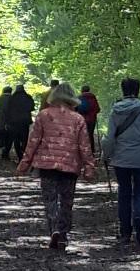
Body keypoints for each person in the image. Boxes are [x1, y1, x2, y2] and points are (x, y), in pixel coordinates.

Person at [19, 81, 96, 250]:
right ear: (72, 98)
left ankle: (54, 228)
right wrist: (89, 166)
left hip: (47, 164)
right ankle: (63, 235)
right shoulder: (78, 119)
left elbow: (33, 141)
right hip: (70, 164)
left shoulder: (43, 115)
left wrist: (25, 163)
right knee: (67, 201)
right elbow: (84, 145)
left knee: (50, 200)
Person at [102, 77, 140, 249]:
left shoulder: (115, 111)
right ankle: (139, 217)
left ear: (123, 90)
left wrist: (105, 156)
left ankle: (125, 232)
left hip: (121, 160)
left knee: (124, 193)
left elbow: (109, 139)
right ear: (138, 90)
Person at [0, 83, 34, 161]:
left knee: (15, 139)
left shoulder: (12, 98)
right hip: (24, 122)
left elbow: (7, 110)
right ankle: (23, 155)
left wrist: (6, 121)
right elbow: (32, 107)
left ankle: (18, 155)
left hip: (13, 123)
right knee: (24, 139)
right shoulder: (28, 97)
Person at [78, 85, 101, 150]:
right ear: (89, 90)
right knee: (90, 135)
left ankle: (83, 150)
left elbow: (75, 109)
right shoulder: (93, 97)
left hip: (82, 120)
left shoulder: (79, 97)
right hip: (92, 120)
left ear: (82, 90)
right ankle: (92, 150)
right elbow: (98, 109)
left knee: (82, 135)